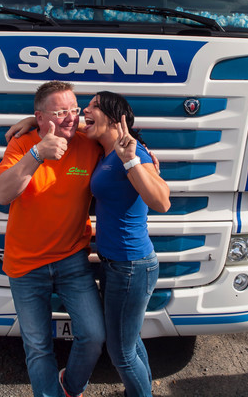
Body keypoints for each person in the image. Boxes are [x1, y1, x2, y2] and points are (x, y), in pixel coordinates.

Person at [0, 81, 105, 397]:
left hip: (72, 259)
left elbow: (119, 131)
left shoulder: (86, 141)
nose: (71, 118)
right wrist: (37, 153)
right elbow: (3, 193)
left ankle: (70, 386)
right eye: (60, 112)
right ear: (40, 117)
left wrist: (145, 155)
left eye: (74, 110)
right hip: (26, 265)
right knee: (38, 345)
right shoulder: (21, 145)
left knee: (94, 335)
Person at [83, 91, 170, 397]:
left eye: (93, 105)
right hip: (114, 263)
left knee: (120, 352)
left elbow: (161, 202)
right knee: (129, 343)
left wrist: (131, 160)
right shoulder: (105, 152)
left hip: (131, 265)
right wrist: (32, 119)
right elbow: (62, 124)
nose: (85, 109)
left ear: (112, 116)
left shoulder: (133, 154)